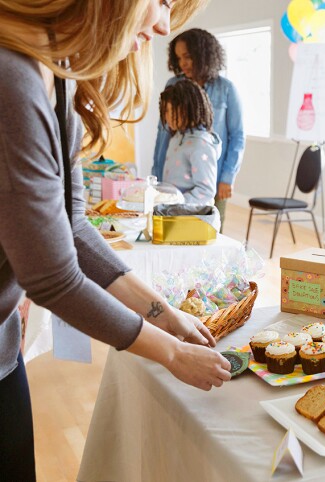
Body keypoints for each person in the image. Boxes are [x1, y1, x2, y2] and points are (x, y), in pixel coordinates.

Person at [0, 1, 231, 479]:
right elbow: (53, 278)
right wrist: (172, 352)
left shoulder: (57, 75)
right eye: (162, 2)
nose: (165, 26)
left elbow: (74, 229)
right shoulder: (11, 78)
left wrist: (167, 315)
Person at [153, 28, 244, 230]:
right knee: (173, 229)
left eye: (187, 56)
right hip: (175, 177)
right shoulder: (174, 84)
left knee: (209, 228)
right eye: (178, 58)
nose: (182, 63)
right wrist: (157, 176)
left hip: (213, 174)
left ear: (203, 54)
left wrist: (227, 178)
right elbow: (163, 133)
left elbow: (237, 137)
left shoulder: (226, 89)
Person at [159, 79, 221, 204]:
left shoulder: (200, 145)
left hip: (192, 217)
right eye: (165, 111)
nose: (167, 117)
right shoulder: (176, 138)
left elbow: (206, 191)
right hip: (175, 212)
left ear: (187, 110)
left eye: (172, 111)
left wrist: (177, 202)